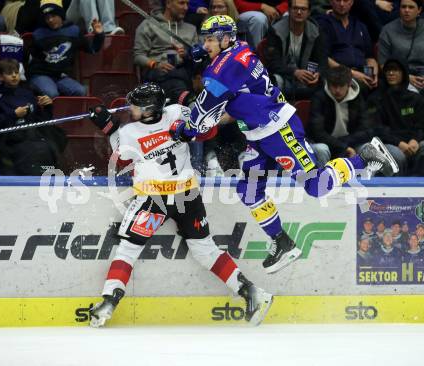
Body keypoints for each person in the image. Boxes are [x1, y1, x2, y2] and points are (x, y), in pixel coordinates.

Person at [169, 15, 399, 275]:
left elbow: (203, 112)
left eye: (210, 38)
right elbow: (231, 97)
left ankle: (365, 157)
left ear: (225, 38)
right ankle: (282, 242)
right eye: (204, 39)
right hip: (258, 135)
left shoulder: (224, 67)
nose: (206, 43)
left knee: (316, 185)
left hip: (279, 130)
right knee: (249, 190)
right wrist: (205, 56)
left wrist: (186, 130)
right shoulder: (239, 50)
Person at [86, 83, 273, 328]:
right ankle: (251, 292)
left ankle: (108, 303)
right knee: (206, 251)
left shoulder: (130, 131)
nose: (130, 107)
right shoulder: (177, 112)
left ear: (149, 109)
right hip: (187, 196)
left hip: (154, 201)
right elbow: (207, 130)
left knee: (128, 250)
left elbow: (121, 158)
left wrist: (107, 126)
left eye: (135, 105)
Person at [0, 58, 67, 175]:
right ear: (0, 77)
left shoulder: (28, 93)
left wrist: (48, 107)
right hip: (9, 141)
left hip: (33, 137)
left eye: (16, 72)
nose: (14, 76)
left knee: (49, 146)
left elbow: (41, 121)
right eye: (9, 73)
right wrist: (13, 115)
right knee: (29, 152)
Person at [28, 0, 105, 98]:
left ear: (60, 15)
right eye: (47, 18)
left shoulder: (73, 31)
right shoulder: (38, 34)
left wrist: (99, 35)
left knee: (80, 91)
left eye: (53, 16)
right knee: (52, 94)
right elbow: (30, 59)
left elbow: (92, 49)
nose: (50, 20)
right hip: (41, 75)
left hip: (61, 76)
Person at [134, 0, 199, 106]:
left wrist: (186, 54)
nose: (186, 8)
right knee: (170, 75)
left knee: (180, 74)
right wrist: (155, 64)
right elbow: (138, 56)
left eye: (187, 4)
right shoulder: (148, 25)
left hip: (183, 70)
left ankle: (186, 100)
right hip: (157, 72)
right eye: (181, 3)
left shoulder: (191, 29)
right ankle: (188, 101)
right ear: (168, 3)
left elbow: (197, 57)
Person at [367, 58, 424, 176]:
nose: (391, 73)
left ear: (403, 73)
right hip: (388, 143)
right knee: (397, 156)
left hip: (413, 142)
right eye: (388, 70)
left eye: (395, 70)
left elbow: (421, 125)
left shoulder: (416, 98)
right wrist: (399, 143)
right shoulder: (376, 99)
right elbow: (377, 129)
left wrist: (415, 140)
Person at [308, 65, 373, 166]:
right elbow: (317, 133)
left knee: (369, 149)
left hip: (350, 143)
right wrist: (343, 147)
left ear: (349, 84)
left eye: (341, 86)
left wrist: (344, 144)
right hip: (326, 143)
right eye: (334, 86)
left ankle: (362, 181)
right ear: (328, 84)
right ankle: (323, 180)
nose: (337, 90)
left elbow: (366, 130)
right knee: (321, 149)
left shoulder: (358, 98)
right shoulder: (319, 97)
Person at [264, 0, 326, 101]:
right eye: (295, 8)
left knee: (324, 83)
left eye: (303, 9)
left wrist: (318, 73)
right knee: (274, 81)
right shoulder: (276, 30)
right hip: (283, 76)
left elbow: (322, 60)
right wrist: (295, 72)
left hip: (306, 78)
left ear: (309, 12)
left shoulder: (316, 31)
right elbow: (273, 63)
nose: (299, 12)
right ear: (289, 10)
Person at [316, 0, 378, 91]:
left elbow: (369, 57)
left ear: (352, 2)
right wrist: (351, 73)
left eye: (345, 0)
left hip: (361, 73)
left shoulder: (360, 25)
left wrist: (372, 75)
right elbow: (324, 57)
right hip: (337, 75)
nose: (342, 4)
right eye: (338, 0)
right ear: (331, 2)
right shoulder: (323, 23)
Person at [378, 0, 424, 95]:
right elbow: (383, 64)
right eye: (403, 7)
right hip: (400, 77)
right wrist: (406, 77)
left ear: (419, 10)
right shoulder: (387, 31)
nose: (406, 10)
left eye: (411, 7)